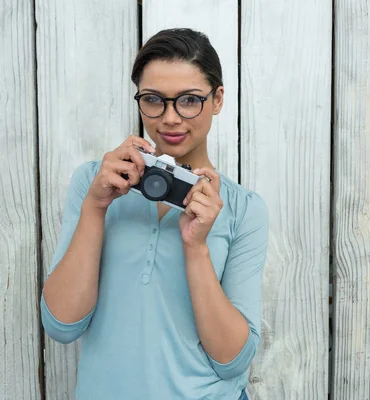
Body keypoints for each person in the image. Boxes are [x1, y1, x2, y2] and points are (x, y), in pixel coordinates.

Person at [41, 28, 268, 400]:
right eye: (153, 100)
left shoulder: (243, 209)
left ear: (218, 99)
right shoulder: (94, 183)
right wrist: (96, 209)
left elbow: (232, 361)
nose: (170, 118)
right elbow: (62, 325)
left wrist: (196, 247)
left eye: (190, 100)